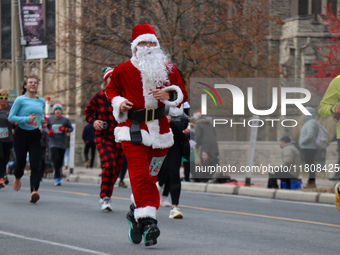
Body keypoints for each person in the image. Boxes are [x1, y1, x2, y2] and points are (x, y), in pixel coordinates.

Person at [105, 24, 187, 246]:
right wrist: (120, 103)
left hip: (160, 130)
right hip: (133, 130)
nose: (148, 47)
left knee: (151, 178)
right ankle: (149, 222)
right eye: (143, 43)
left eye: (152, 43)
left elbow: (181, 92)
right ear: (135, 47)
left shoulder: (168, 68)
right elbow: (110, 90)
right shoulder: (122, 70)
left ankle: (135, 213)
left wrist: (168, 93)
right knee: (140, 175)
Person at [84, 67, 125, 212]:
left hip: (120, 136)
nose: (113, 80)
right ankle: (105, 197)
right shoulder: (98, 97)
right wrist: (94, 121)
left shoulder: (123, 98)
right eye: (110, 78)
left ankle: (106, 192)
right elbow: (87, 112)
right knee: (109, 164)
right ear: (105, 81)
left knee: (117, 168)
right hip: (103, 135)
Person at [8, 74, 45, 203]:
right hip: (21, 134)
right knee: (21, 163)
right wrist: (26, 119)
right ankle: (17, 177)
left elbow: (41, 116)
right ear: (25, 85)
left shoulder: (41, 101)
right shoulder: (20, 100)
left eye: (35, 82)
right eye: (30, 82)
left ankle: (34, 191)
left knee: (36, 163)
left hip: (35, 134)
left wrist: (43, 122)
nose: (33, 84)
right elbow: (11, 117)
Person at [157, 105, 189, 219]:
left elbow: (184, 123)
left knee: (174, 171)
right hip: (156, 139)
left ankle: (174, 207)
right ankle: (157, 187)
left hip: (174, 140)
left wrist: (170, 123)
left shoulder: (180, 100)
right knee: (155, 169)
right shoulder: (155, 97)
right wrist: (161, 120)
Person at [47, 103, 73, 186]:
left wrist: (65, 129)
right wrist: (48, 131)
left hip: (62, 143)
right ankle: (58, 178)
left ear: (61, 111)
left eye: (59, 110)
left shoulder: (65, 120)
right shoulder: (50, 120)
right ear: (54, 111)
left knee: (60, 161)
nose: (58, 111)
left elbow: (71, 129)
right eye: (56, 110)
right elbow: (46, 127)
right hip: (53, 143)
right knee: (56, 159)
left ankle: (57, 171)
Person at [298, 106, 319, 188]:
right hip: (307, 147)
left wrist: (302, 141)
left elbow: (311, 135)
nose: (302, 115)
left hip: (309, 148)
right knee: (309, 165)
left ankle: (312, 182)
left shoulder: (311, 122)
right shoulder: (309, 122)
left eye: (304, 113)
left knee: (310, 166)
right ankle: (311, 182)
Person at [0, 89, 14, 188]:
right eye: (1, 98)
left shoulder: (11, 108)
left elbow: (17, 122)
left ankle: (3, 174)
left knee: (5, 158)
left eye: (5, 98)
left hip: (8, 137)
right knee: (0, 157)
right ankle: (1, 178)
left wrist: (13, 122)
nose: (4, 100)